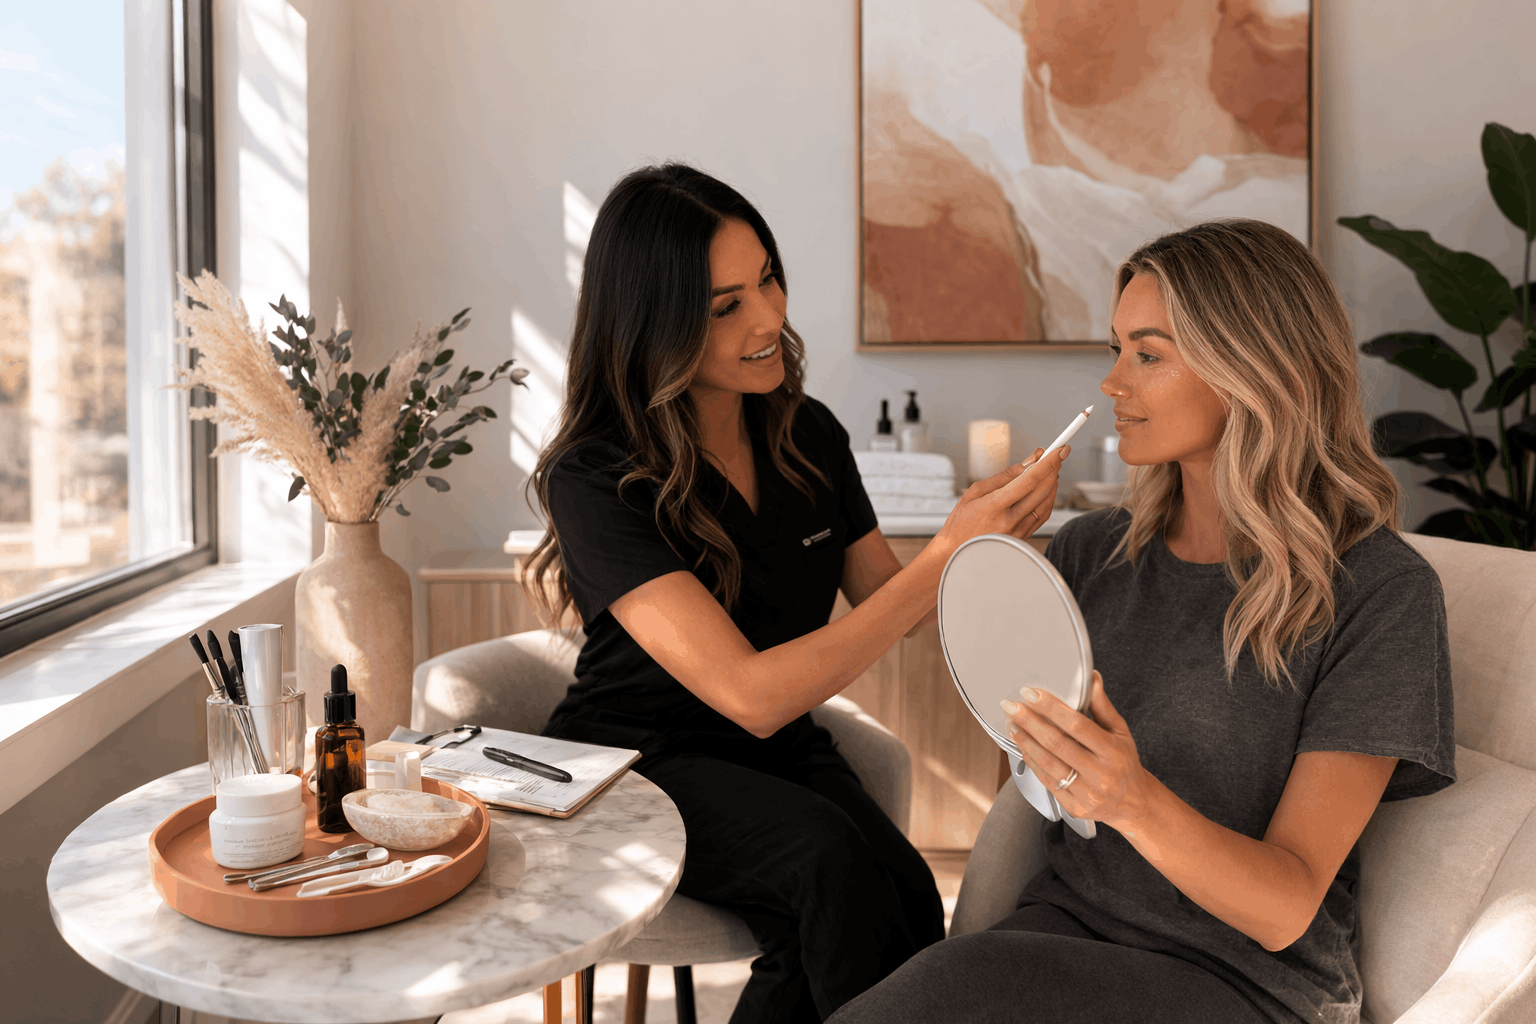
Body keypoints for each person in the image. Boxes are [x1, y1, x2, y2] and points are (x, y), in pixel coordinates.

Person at [829, 219, 1457, 1024]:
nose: (1112, 385)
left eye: (1148, 354)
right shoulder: (1091, 555)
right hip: (1053, 942)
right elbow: (1032, 798)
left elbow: (1289, 904)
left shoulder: (1378, 592)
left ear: (1250, 371)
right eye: (1117, 349)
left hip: (1243, 986)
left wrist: (1132, 799)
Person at [522, 163, 1069, 1023]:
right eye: (724, 306)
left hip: (772, 756)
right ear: (653, 325)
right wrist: (946, 555)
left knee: (909, 897)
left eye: (768, 278)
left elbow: (898, 603)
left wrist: (982, 543)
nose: (770, 317)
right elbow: (752, 695)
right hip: (642, 764)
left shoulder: (807, 433)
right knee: (831, 874)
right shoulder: (595, 478)